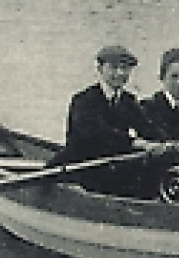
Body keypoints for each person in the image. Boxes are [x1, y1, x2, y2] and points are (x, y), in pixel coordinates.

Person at [46, 44, 172, 197]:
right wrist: (136, 143)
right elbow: (96, 135)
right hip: (79, 167)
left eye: (125, 69)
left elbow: (147, 127)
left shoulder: (128, 101)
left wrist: (165, 143)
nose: (120, 73)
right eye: (114, 68)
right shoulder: (83, 100)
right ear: (100, 69)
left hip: (109, 167)